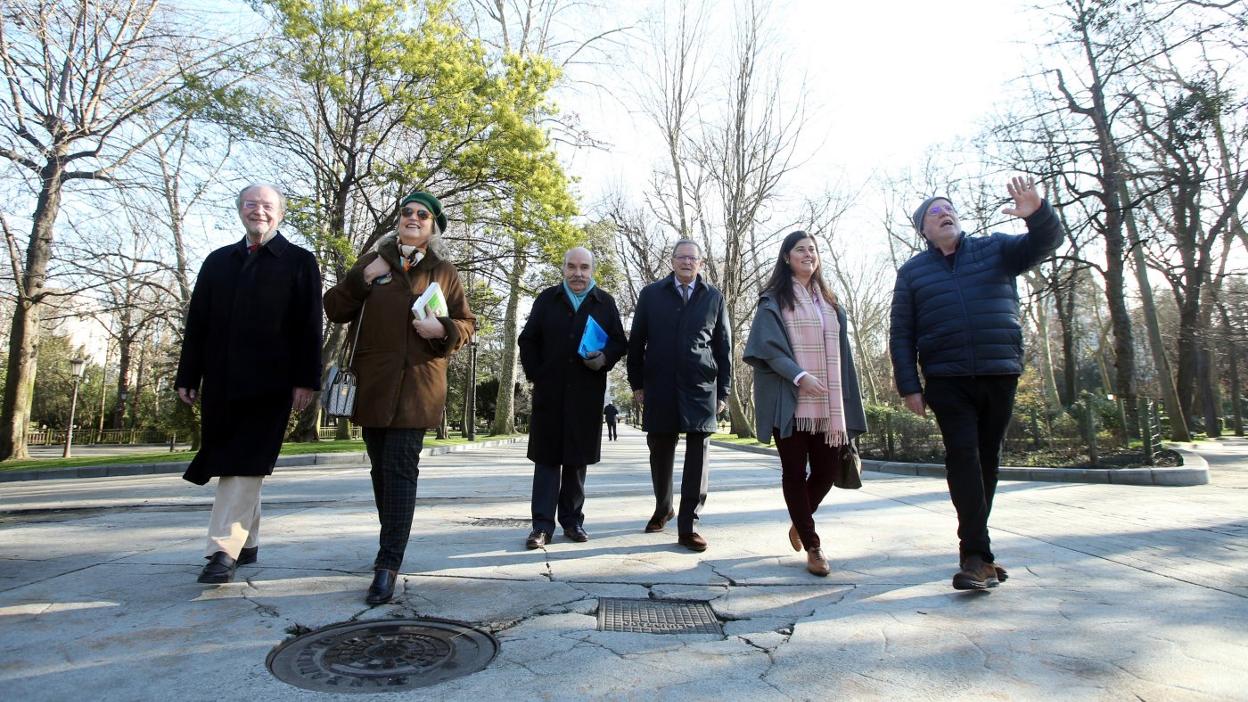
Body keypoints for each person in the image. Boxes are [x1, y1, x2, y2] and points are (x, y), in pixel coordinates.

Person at [890, 176, 1063, 590]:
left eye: (948, 208)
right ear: (923, 230)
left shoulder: (995, 249)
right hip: (947, 380)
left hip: (998, 371)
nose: (944, 213)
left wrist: (1038, 213)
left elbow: (1045, 244)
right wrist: (909, 386)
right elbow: (901, 333)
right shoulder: (912, 273)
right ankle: (976, 556)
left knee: (987, 461)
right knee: (963, 457)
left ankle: (978, 551)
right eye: (934, 212)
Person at [323, 191, 474, 604]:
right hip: (371, 385)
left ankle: (387, 563)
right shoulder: (373, 261)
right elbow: (334, 308)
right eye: (407, 212)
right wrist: (363, 278)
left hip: (418, 387)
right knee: (380, 472)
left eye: (422, 215)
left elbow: (467, 323)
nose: (412, 218)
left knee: (401, 471)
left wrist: (442, 329)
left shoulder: (444, 271)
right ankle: (391, 543)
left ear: (433, 227)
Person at [176, 183, 323, 585]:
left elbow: (310, 326)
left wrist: (306, 380)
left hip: (271, 383)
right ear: (240, 210)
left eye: (267, 205)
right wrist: (188, 375)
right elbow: (198, 323)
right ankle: (249, 542)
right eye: (251, 204)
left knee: (242, 462)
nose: (259, 211)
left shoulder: (299, 262)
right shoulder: (217, 261)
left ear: (281, 213)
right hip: (221, 382)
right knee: (238, 460)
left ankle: (222, 549)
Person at [744, 231, 867, 577]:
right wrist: (799, 376)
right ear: (786, 257)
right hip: (791, 401)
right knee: (795, 474)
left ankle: (800, 520)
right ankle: (813, 545)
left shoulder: (831, 302)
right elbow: (766, 348)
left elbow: (844, 357)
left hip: (829, 406)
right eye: (801, 249)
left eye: (813, 250)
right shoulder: (773, 300)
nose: (808, 254)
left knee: (827, 473)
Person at [517, 247, 627, 549]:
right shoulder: (547, 299)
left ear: (592, 270)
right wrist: (536, 373)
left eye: (584, 267)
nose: (577, 273)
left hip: (586, 395)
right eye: (572, 267)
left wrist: (604, 358)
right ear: (563, 268)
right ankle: (541, 527)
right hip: (549, 394)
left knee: (577, 463)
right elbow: (527, 339)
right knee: (547, 461)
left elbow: (620, 342)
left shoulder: (605, 302)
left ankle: (572, 521)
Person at [626, 239, 731, 552]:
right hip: (659, 384)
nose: (687, 262)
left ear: (701, 263)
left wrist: (723, 389)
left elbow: (723, 347)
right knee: (660, 448)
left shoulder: (714, 297)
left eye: (693, 258)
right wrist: (636, 384)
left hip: (701, 386)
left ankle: (689, 525)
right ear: (671, 261)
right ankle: (663, 507)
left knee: (698, 455)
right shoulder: (651, 294)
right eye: (681, 257)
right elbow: (636, 343)